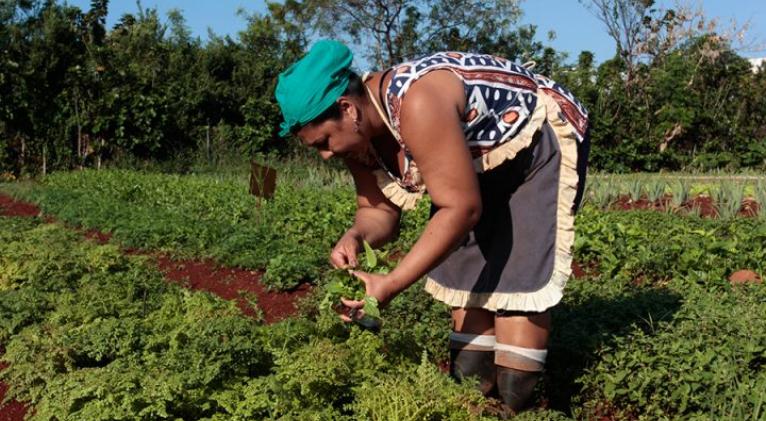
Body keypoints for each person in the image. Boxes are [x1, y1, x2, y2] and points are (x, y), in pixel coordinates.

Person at [275, 39, 590, 412]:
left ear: (347, 108)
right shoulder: (357, 136)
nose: (326, 154)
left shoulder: (418, 103)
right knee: (466, 291)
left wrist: (390, 284)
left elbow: (460, 209)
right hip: (473, 168)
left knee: (515, 292)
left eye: (324, 142)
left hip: (530, 146)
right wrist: (356, 235)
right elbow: (378, 212)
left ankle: (513, 407)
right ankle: (472, 402)